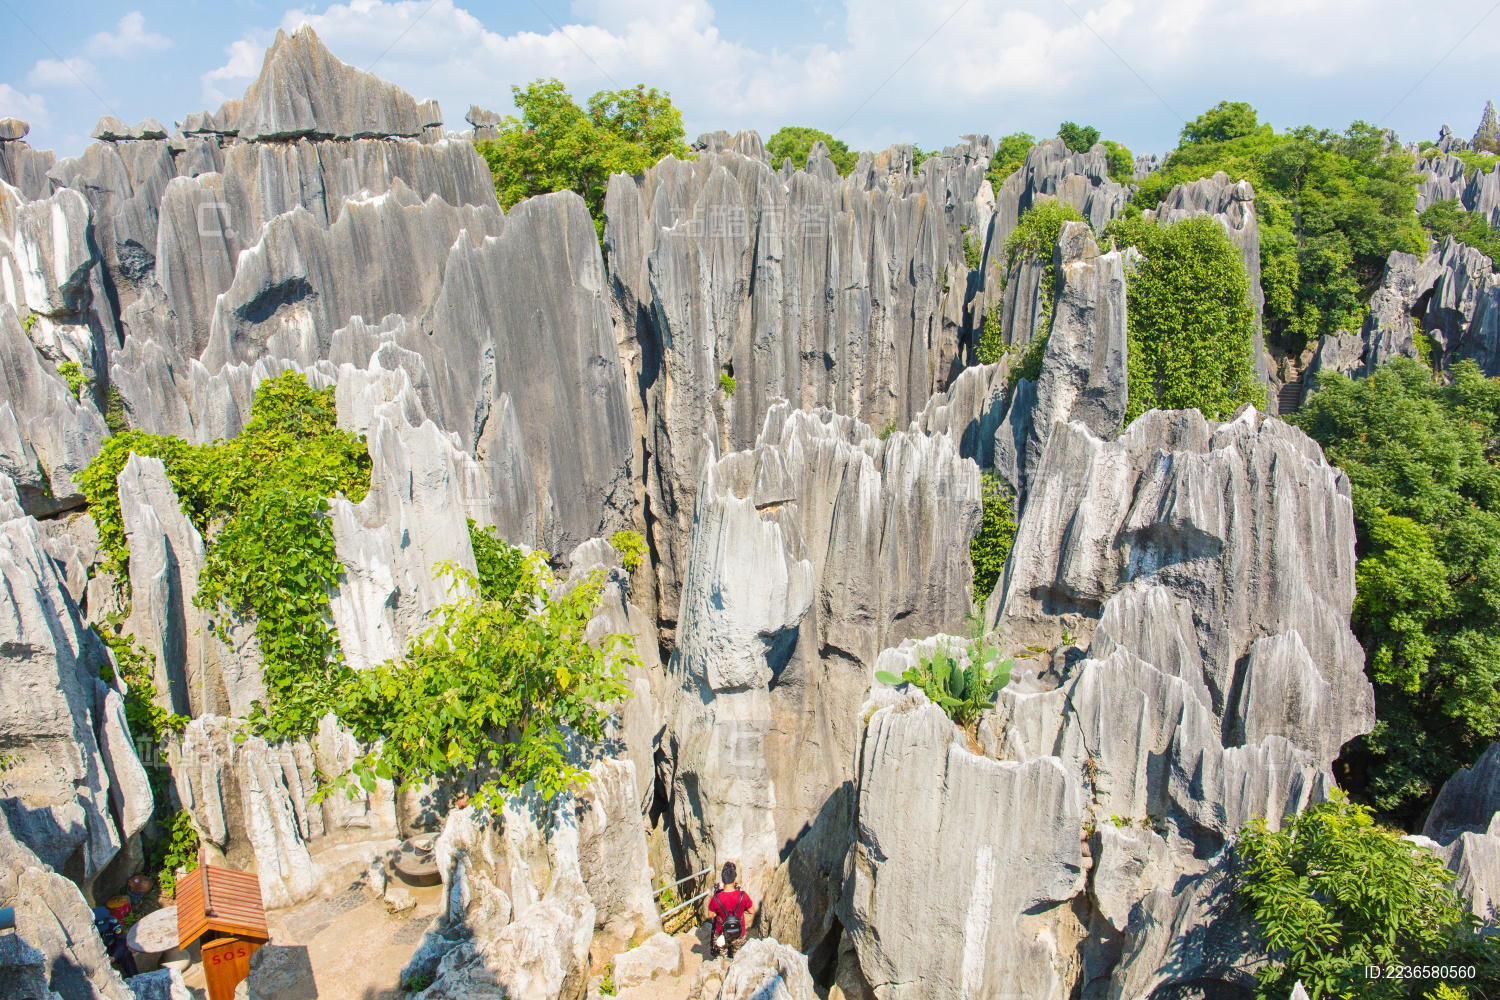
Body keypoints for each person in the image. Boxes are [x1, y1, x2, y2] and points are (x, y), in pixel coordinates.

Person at [706, 862, 754, 960]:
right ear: (734, 880)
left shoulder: (716, 898)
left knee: (721, 959)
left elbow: (710, 915)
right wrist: (742, 910)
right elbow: (752, 911)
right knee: (739, 959)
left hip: (721, 933)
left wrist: (719, 913)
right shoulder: (742, 895)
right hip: (739, 934)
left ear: (722, 880)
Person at [93, 906, 138, 978]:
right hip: (98, 952)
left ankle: (135, 977)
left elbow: (121, 941)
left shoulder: (113, 922)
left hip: (112, 948)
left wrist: (114, 956)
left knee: (126, 954)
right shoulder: (89, 929)